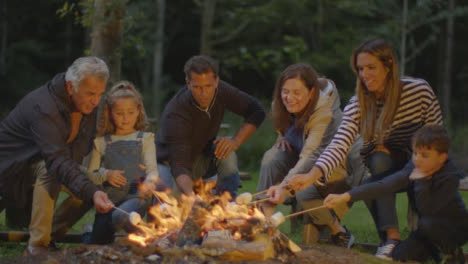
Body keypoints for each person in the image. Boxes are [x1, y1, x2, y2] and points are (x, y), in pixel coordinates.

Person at [268, 38, 443, 259]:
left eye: (371, 67)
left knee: (379, 171)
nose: (365, 74)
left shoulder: (419, 91)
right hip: (383, 166)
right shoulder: (358, 103)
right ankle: (391, 239)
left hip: (422, 161)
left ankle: (427, 241)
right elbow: (339, 144)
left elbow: (436, 134)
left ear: (389, 65)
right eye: (360, 69)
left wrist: (415, 158)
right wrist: (312, 174)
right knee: (378, 160)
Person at [0, 56, 114, 255]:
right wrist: (88, 188)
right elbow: (57, 161)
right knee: (54, 171)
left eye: (100, 94)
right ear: (71, 87)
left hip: (47, 161)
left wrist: (92, 189)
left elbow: (74, 157)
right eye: (90, 94)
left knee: (90, 186)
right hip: (10, 168)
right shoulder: (44, 106)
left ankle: (49, 237)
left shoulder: (85, 105)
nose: (96, 101)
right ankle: (37, 246)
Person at [257, 63, 367, 248]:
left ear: (311, 92)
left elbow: (311, 154)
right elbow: (282, 122)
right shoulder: (280, 102)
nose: (289, 98)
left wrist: (284, 187)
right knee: (271, 158)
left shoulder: (325, 112)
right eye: (285, 91)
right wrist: (282, 136)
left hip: (335, 161)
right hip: (302, 153)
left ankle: (337, 230)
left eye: (297, 92)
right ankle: (263, 222)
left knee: (305, 193)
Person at [325, 125, 468, 263]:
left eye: (424, 155)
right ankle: (435, 254)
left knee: (427, 224)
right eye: (415, 153)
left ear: (441, 158)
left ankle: (453, 255)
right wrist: (345, 196)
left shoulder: (450, 176)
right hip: (428, 231)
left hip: (455, 229)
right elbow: (386, 184)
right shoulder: (415, 166)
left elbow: (428, 209)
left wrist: (423, 180)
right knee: (400, 254)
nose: (417, 159)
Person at [156, 55, 265, 198]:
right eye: (197, 87)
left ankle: (228, 204)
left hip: (201, 158)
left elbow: (257, 111)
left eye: (208, 86)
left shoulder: (222, 91)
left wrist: (235, 141)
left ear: (216, 82)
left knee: (227, 152)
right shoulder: (176, 113)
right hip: (170, 165)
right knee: (171, 204)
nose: (204, 93)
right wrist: (191, 197)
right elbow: (179, 166)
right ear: (188, 84)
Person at [83, 81, 158, 244]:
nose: (125, 118)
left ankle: (148, 239)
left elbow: (152, 170)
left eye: (130, 112)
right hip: (108, 201)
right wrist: (106, 174)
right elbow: (91, 174)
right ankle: (89, 232)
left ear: (138, 111)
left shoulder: (145, 139)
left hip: (136, 196)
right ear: (110, 113)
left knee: (121, 216)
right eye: (119, 113)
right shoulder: (101, 142)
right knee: (97, 244)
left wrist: (149, 183)